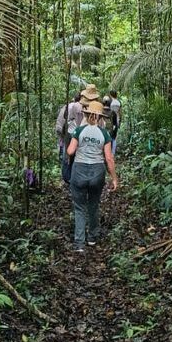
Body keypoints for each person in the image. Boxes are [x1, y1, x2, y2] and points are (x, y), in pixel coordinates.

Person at [66, 101, 119, 252]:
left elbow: (70, 151)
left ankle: (79, 243)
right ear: (100, 117)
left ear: (87, 115)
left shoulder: (79, 130)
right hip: (97, 172)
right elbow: (109, 158)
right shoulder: (104, 134)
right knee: (94, 205)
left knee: (79, 207)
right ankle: (92, 238)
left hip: (79, 171)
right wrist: (114, 178)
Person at [55, 93, 83, 184]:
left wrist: (60, 133)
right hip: (76, 134)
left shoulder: (67, 106)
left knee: (66, 154)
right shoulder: (81, 107)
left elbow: (61, 121)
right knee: (74, 155)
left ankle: (66, 176)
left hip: (67, 133)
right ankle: (72, 176)